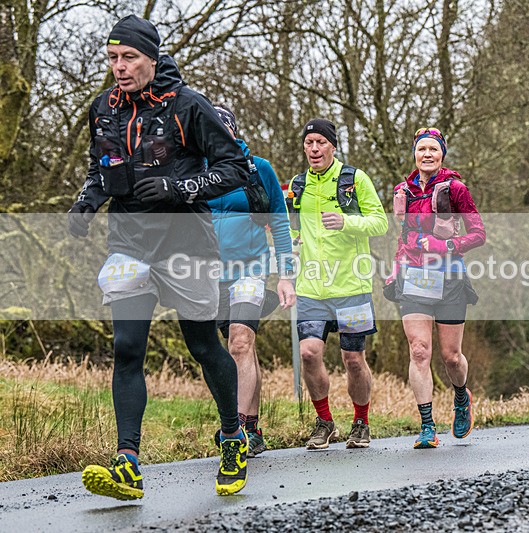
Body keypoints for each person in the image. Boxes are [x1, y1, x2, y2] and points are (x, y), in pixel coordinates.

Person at [67, 15, 251, 498]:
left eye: (129, 58)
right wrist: (87, 201)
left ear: (151, 57)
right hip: (128, 243)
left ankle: (233, 437)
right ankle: (128, 460)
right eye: (112, 58)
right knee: (127, 349)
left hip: (187, 244)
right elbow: (99, 165)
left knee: (203, 346)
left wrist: (178, 185)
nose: (119, 68)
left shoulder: (189, 106)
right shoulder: (102, 107)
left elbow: (236, 168)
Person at [286, 118, 388, 450]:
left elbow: (380, 223)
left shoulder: (354, 179)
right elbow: (293, 230)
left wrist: (347, 222)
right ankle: (325, 422)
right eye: (308, 143)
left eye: (320, 143)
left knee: (353, 359)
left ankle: (361, 421)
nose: (314, 149)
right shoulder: (297, 185)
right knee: (309, 353)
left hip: (351, 286)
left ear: (333, 145)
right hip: (312, 287)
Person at [386, 127, 486, 449]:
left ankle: (461, 396)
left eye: (433, 149)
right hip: (414, 276)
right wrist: (396, 266)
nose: (426, 154)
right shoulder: (403, 190)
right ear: (414, 153)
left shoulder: (456, 188)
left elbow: (478, 233)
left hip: (450, 278)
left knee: (451, 357)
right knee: (419, 351)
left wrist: (448, 246)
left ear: (442, 153)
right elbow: (401, 235)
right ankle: (427, 426)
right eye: (421, 149)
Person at [210, 104, 296, 457]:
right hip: (210, 275)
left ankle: (240, 428)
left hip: (252, 268)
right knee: (236, 350)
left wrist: (285, 275)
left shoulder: (257, 169)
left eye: (219, 129)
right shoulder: (195, 172)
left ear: (232, 131)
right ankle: (254, 428)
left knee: (240, 344)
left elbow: (279, 222)